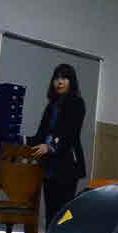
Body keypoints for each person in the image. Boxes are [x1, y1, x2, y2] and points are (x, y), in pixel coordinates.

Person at [27, 64, 87, 224]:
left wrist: (49, 146)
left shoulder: (77, 103)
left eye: (64, 78)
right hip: (49, 166)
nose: (59, 82)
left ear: (71, 82)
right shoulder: (51, 105)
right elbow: (40, 135)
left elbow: (70, 134)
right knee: (51, 213)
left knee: (64, 215)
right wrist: (21, 140)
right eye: (56, 78)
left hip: (67, 164)